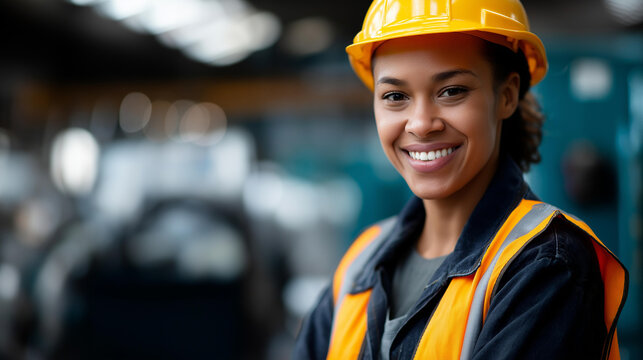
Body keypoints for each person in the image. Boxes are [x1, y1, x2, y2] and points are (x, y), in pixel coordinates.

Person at [293, 0, 628, 359]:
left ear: (507, 95)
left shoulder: (546, 264)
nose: (421, 124)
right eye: (395, 96)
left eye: (451, 91)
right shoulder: (361, 261)